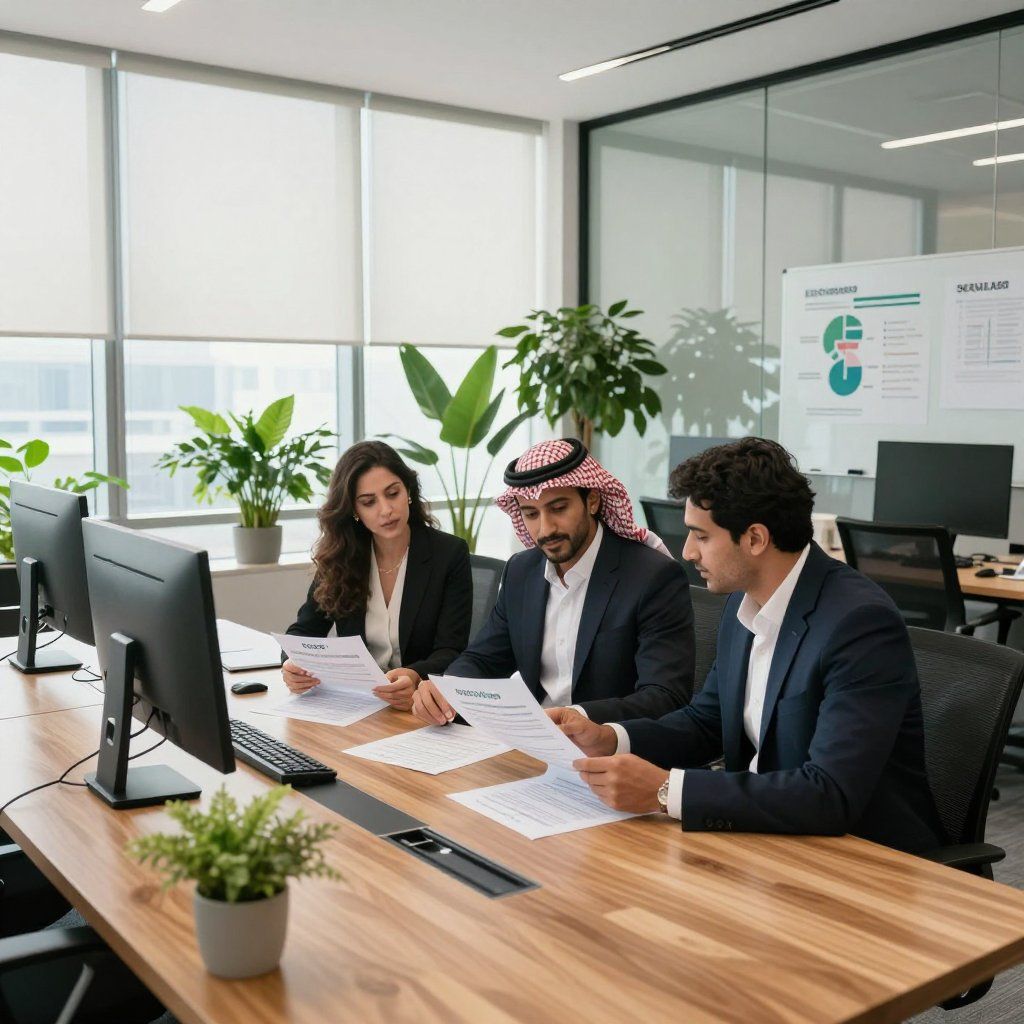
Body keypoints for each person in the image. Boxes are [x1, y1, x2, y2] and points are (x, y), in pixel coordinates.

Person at [554, 437, 946, 855]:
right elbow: (707, 723)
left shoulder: (858, 624)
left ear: (756, 538)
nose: (687, 552)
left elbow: (830, 793)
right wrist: (609, 738)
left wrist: (668, 790)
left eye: (700, 536)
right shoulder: (744, 604)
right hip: (767, 839)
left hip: (866, 859)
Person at [412, 437, 695, 727]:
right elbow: (483, 660)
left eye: (558, 508)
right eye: (531, 514)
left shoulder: (652, 577)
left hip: (611, 750)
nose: (545, 529)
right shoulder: (521, 571)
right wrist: (448, 690)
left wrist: (578, 718)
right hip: (531, 741)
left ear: (593, 501)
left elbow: (665, 696)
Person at [283, 440, 472, 711]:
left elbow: (451, 650)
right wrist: (292, 664)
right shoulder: (341, 557)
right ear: (355, 511)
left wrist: (414, 674)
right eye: (368, 502)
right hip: (356, 704)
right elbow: (304, 631)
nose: (385, 510)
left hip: (418, 707)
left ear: (408, 491)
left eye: (392, 493)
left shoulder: (449, 553)